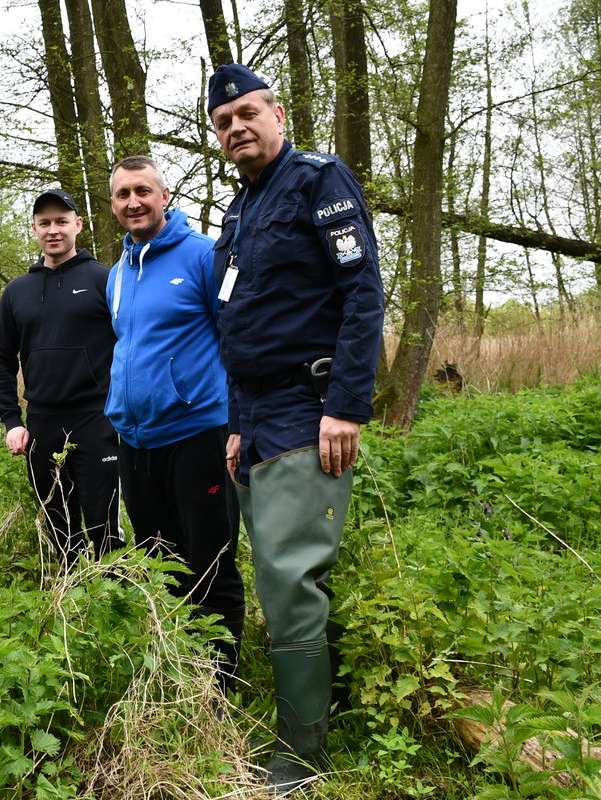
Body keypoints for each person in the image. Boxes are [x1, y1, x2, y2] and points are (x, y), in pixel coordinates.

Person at [207, 64, 385, 795]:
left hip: (309, 410)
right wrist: (235, 425)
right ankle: (318, 712)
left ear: (277, 112)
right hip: (256, 414)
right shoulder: (239, 209)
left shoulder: (320, 181)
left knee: (288, 576)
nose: (237, 127)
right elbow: (241, 323)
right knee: (281, 571)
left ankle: (302, 754)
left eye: (248, 112)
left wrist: (344, 405)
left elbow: (362, 292)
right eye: (224, 122)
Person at [105, 156, 245, 691]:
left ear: (165, 195)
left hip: (197, 435)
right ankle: (180, 675)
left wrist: (236, 423)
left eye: (144, 190)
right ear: (114, 204)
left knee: (210, 562)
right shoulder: (117, 274)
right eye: (123, 194)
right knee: (159, 563)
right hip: (137, 441)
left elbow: (233, 341)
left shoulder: (205, 256)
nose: (134, 202)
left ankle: (221, 688)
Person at [0, 189, 120, 565]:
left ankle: (112, 604)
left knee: (104, 527)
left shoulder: (105, 280)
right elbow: (0, 358)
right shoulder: (17, 292)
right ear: (34, 228)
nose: (53, 230)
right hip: (42, 424)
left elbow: (129, 346)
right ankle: (67, 604)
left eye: (61, 221)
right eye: (44, 223)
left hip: (98, 419)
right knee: (59, 526)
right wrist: (12, 421)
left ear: (78, 225)